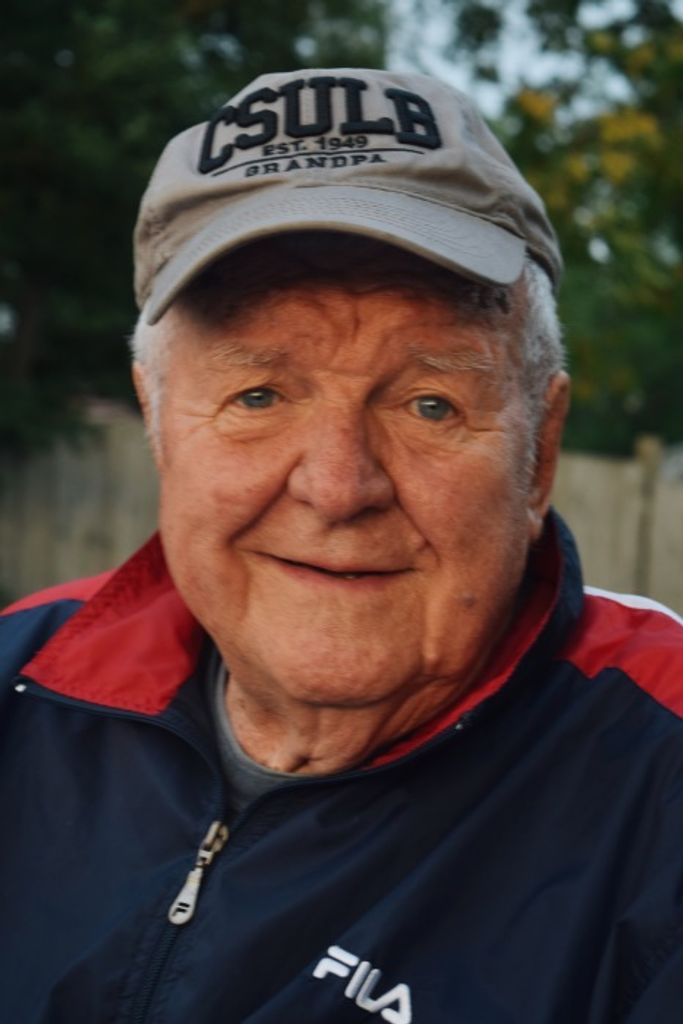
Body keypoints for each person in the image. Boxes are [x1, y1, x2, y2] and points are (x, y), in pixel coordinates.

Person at [2, 68, 682, 1024]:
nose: (336, 485)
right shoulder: (22, 682)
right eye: (258, 395)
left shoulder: (658, 789)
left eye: (429, 404)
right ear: (157, 420)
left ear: (538, 453)